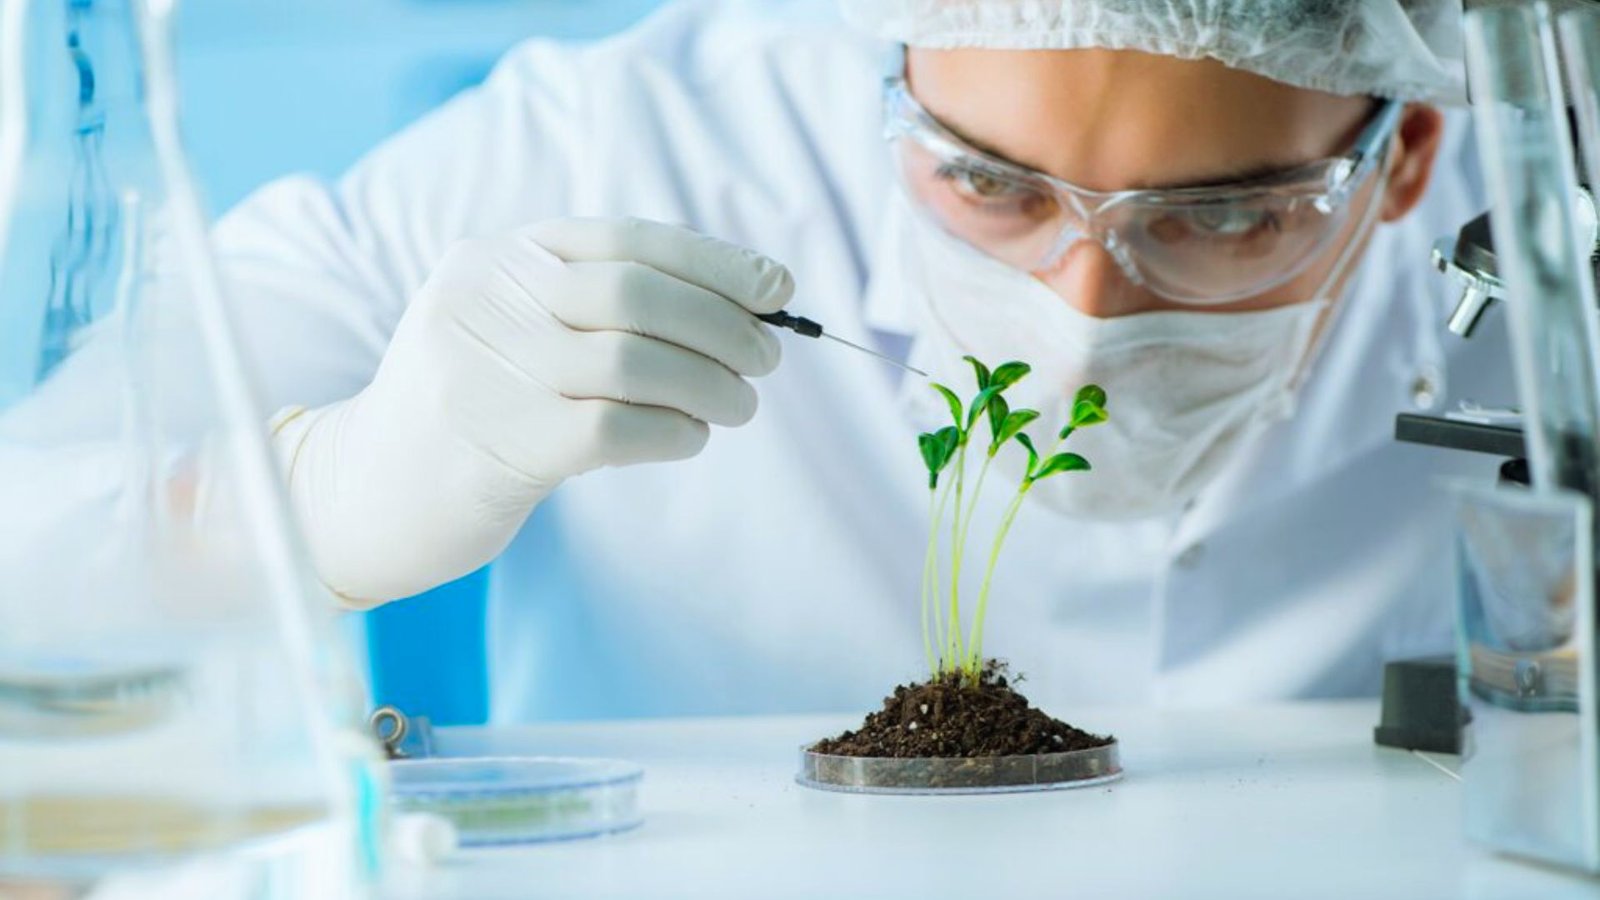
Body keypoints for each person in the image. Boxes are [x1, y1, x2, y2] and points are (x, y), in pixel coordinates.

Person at [40, 0, 1514, 719]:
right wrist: (321, 492)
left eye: (1228, 220)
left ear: (1401, 165)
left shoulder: (1537, 220)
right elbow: (33, 538)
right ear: (895, 83)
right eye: (986, 185)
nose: (1079, 321)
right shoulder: (623, 144)